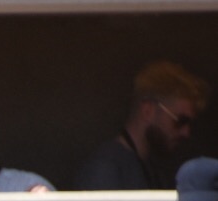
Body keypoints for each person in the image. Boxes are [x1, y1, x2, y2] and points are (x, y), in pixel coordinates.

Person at [75, 62, 208, 191]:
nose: (186, 132)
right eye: (180, 121)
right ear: (148, 111)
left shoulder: (151, 167)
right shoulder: (105, 168)